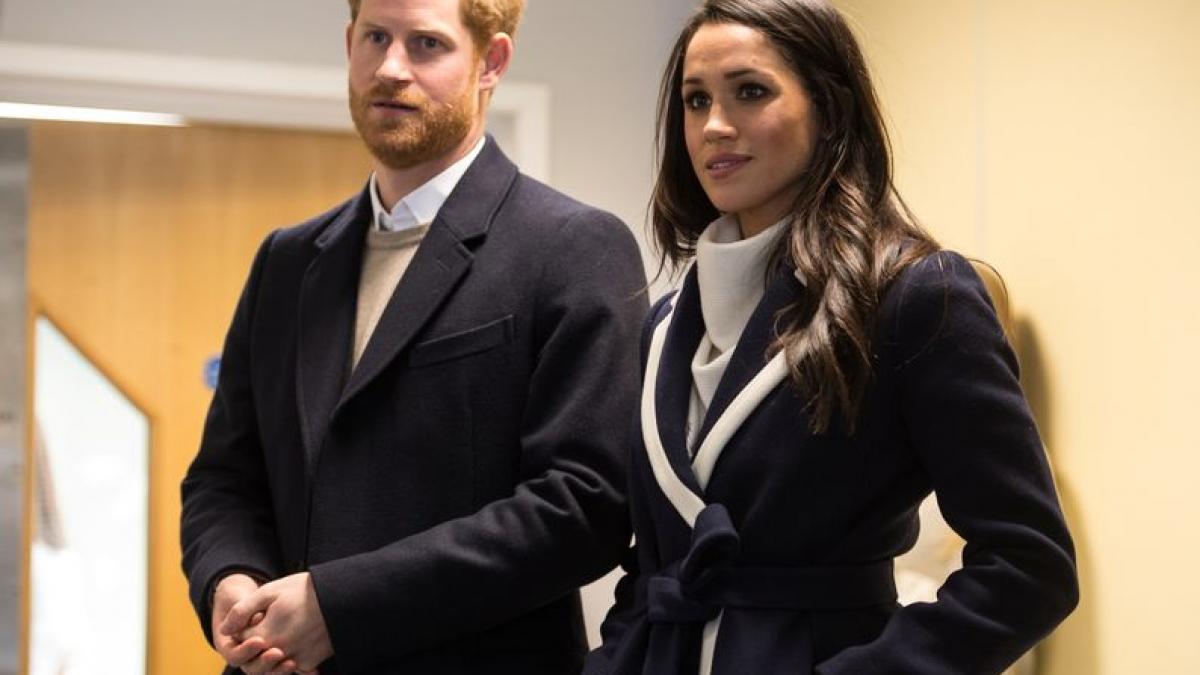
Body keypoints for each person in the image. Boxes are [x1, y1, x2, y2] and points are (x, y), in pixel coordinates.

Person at [583, 1, 1078, 673]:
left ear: (829, 108)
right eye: (695, 101)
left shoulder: (916, 296)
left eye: (750, 91)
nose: (714, 126)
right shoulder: (663, 323)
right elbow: (648, 569)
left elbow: (1029, 566)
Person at [179, 0, 647, 673]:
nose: (392, 68)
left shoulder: (573, 247)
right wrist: (230, 579)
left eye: (427, 44)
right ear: (349, 45)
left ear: (492, 62)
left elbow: (584, 505)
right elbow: (223, 476)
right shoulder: (286, 261)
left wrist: (337, 606)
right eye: (376, 38)